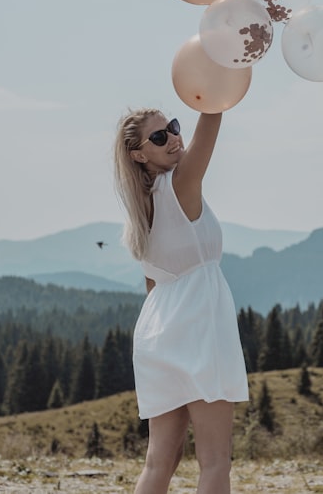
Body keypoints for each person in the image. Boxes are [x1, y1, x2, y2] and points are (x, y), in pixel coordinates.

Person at [114, 108, 249, 494]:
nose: (174, 138)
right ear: (139, 155)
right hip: (198, 326)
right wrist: (221, 73)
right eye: (159, 137)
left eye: (173, 128)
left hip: (157, 332)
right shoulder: (180, 184)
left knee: (160, 461)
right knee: (215, 461)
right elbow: (210, 123)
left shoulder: (142, 210)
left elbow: (152, 284)